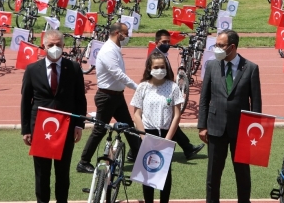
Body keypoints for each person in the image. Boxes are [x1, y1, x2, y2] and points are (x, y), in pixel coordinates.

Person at [21, 29, 87, 203]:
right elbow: (26, 102)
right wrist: (26, 129)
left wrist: (79, 125)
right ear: (44, 46)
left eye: (58, 45)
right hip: (41, 128)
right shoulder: (32, 69)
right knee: (42, 173)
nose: (55, 48)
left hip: (66, 127)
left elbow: (80, 99)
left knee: (62, 172)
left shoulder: (73, 67)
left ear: (64, 46)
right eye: (51, 45)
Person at [198, 29, 262, 203]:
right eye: (216, 44)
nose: (216, 48)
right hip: (215, 127)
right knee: (213, 175)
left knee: (242, 174)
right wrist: (202, 126)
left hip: (242, 131)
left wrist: (255, 132)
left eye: (220, 45)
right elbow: (204, 98)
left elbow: (256, 103)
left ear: (232, 47)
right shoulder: (211, 65)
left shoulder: (251, 68)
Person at [77, 22, 140, 173]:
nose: (127, 37)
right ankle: (83, 162)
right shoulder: (108, 51)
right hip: (107, 97)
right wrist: (137, 87)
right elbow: (117, 73)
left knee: (129, 126)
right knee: (100, 130)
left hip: (116, 97)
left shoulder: (115, 48)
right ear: (118, 33)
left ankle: (139, 153)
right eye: (125, 33)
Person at [131, 52, 183, 203]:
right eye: (156, 67)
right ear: (149, 68)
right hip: (147, 134)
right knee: (148, 173)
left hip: (166, 134)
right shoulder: (142, 87)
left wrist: (167, 139)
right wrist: (144, 137)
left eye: (162, 67)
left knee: (165, 172)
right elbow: (136, 115)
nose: (160, 70)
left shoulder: (173, 87)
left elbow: (177, 115)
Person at [151, 29, 205, 159]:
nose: (167, 44)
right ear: (157, 42)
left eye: (169, 42)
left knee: (169, 123)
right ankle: (187, 148)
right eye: (164, 42)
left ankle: (188, 148)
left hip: (165, 94)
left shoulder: (162, 54)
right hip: (161, 95)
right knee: (165, 123)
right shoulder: (155, 57)